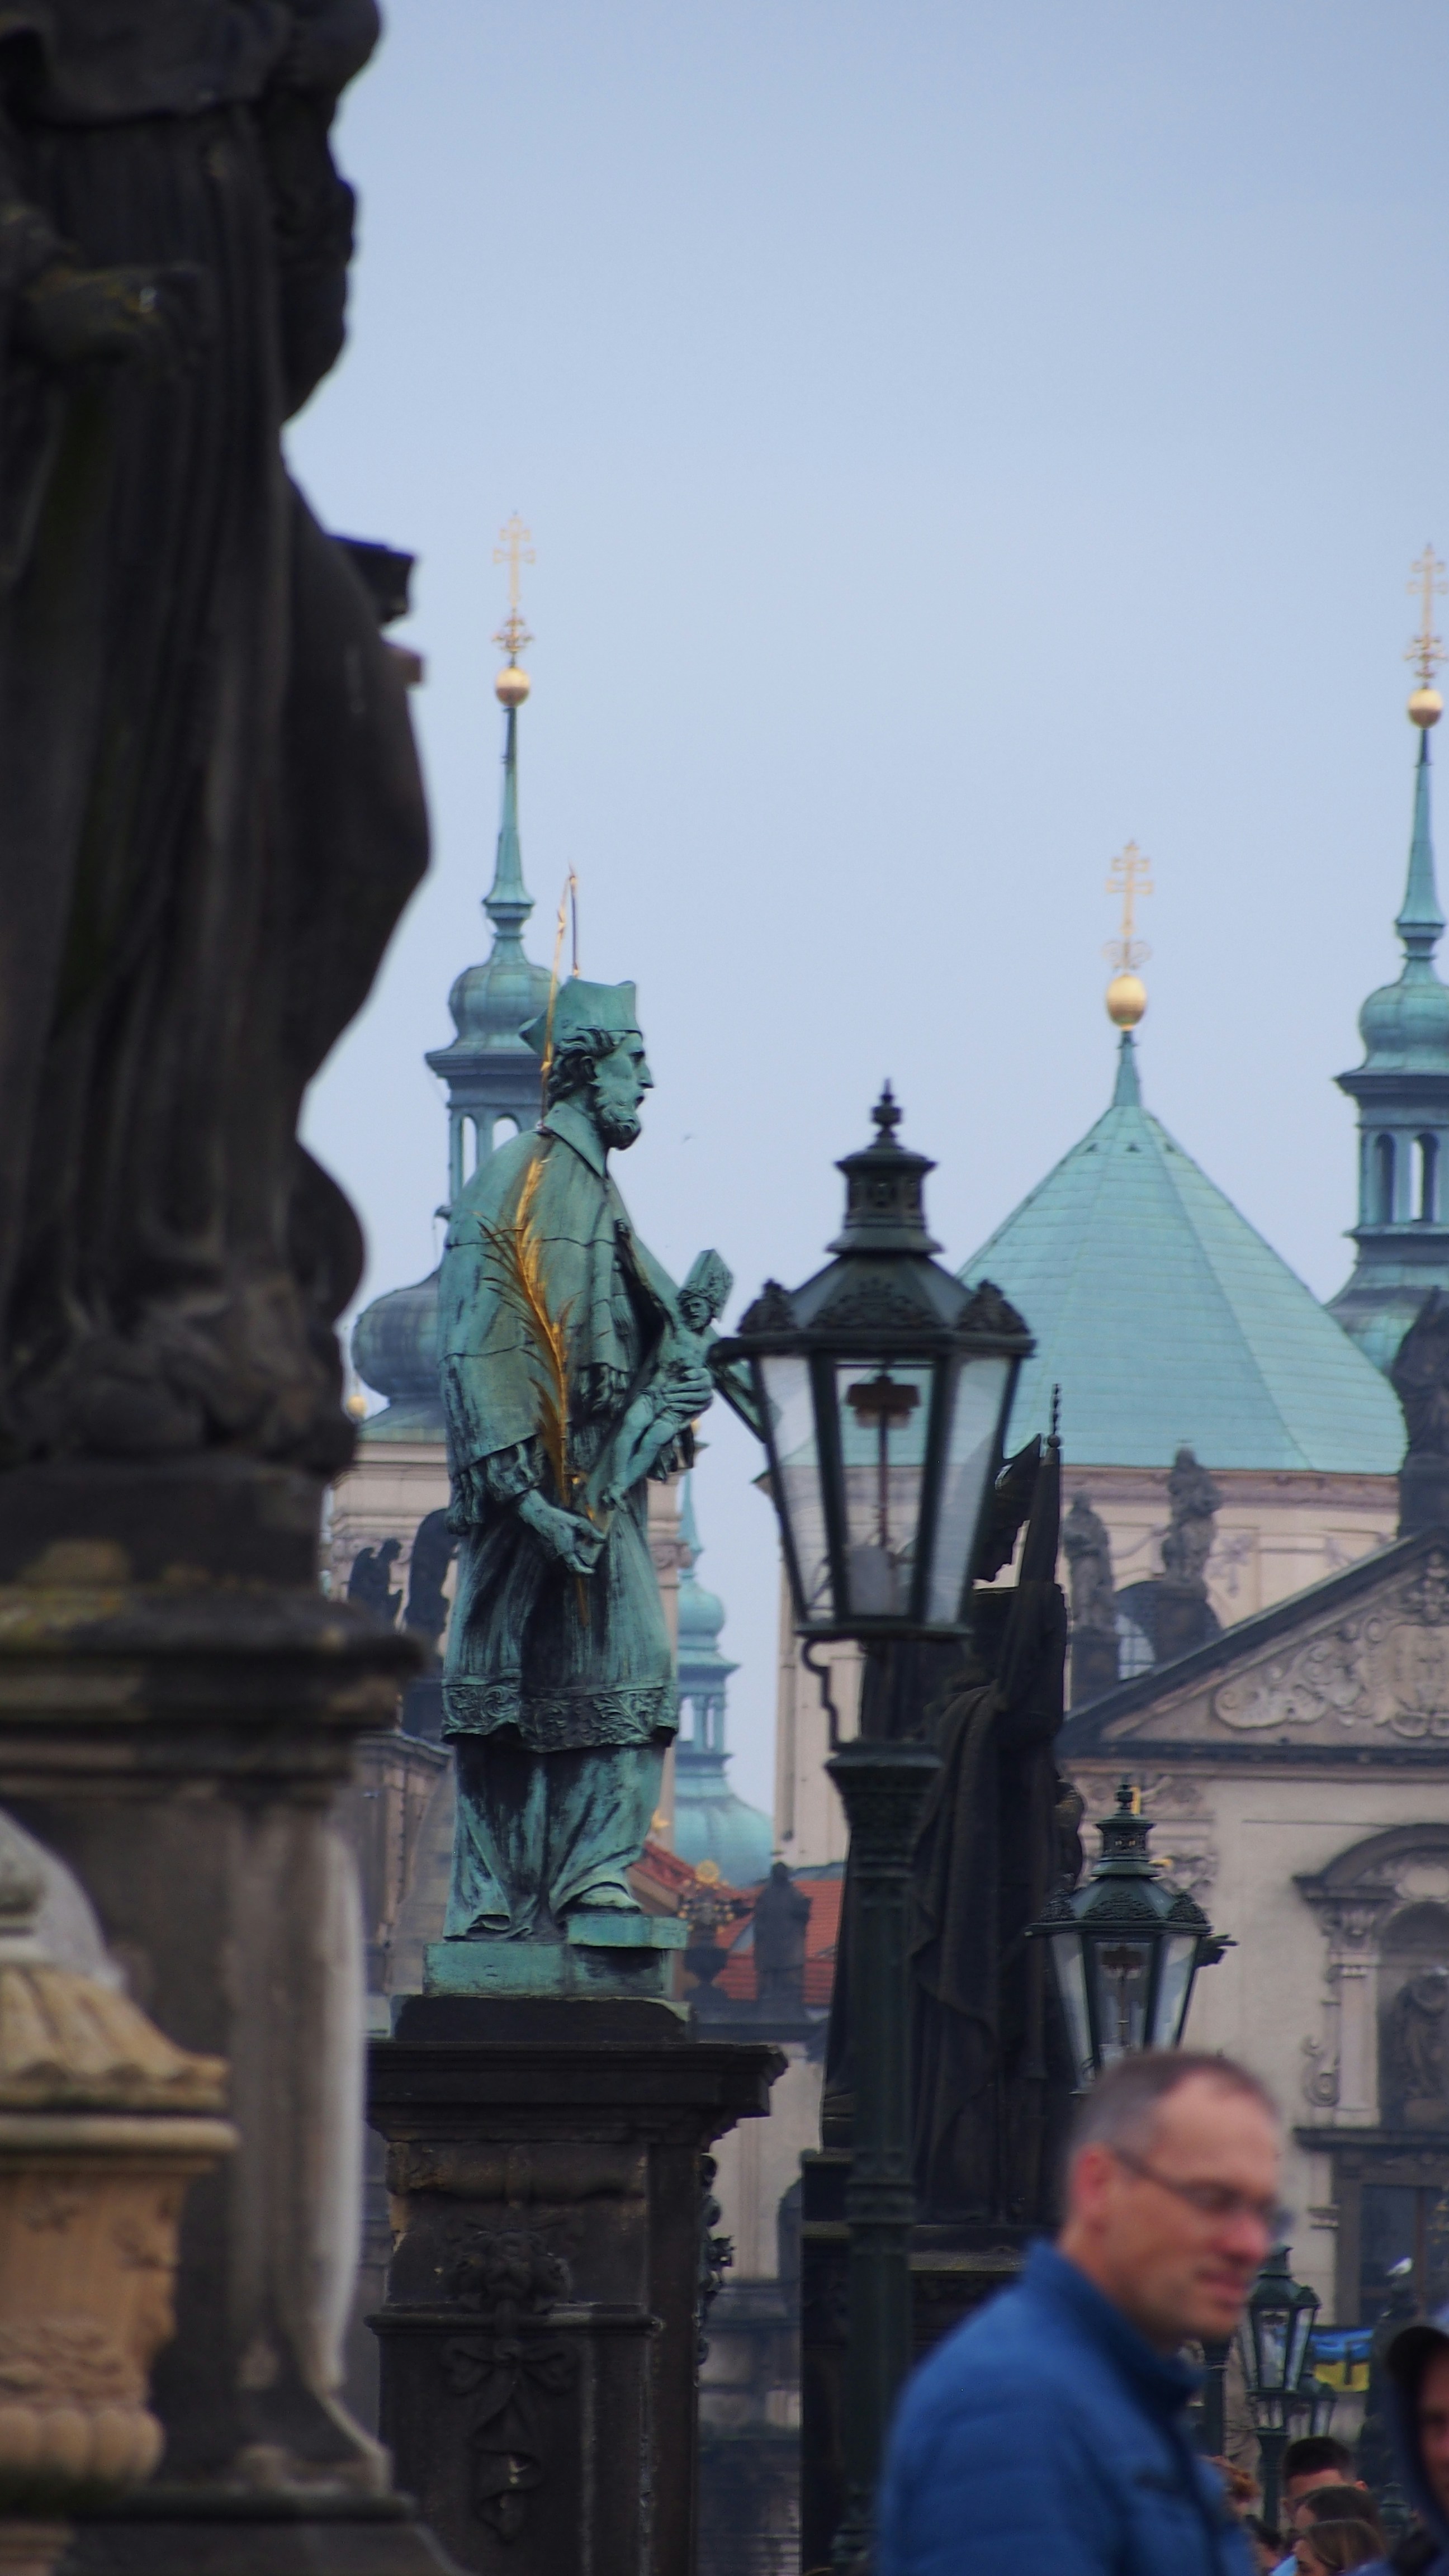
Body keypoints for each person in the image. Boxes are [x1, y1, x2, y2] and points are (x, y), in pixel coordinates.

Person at [878, 2049, 1281, 2576]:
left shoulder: (1114, 2397)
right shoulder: (1011, 2406)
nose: (1250, 2244)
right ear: (1100, 2185)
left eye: (1264, 2211)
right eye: (1212, 2199)